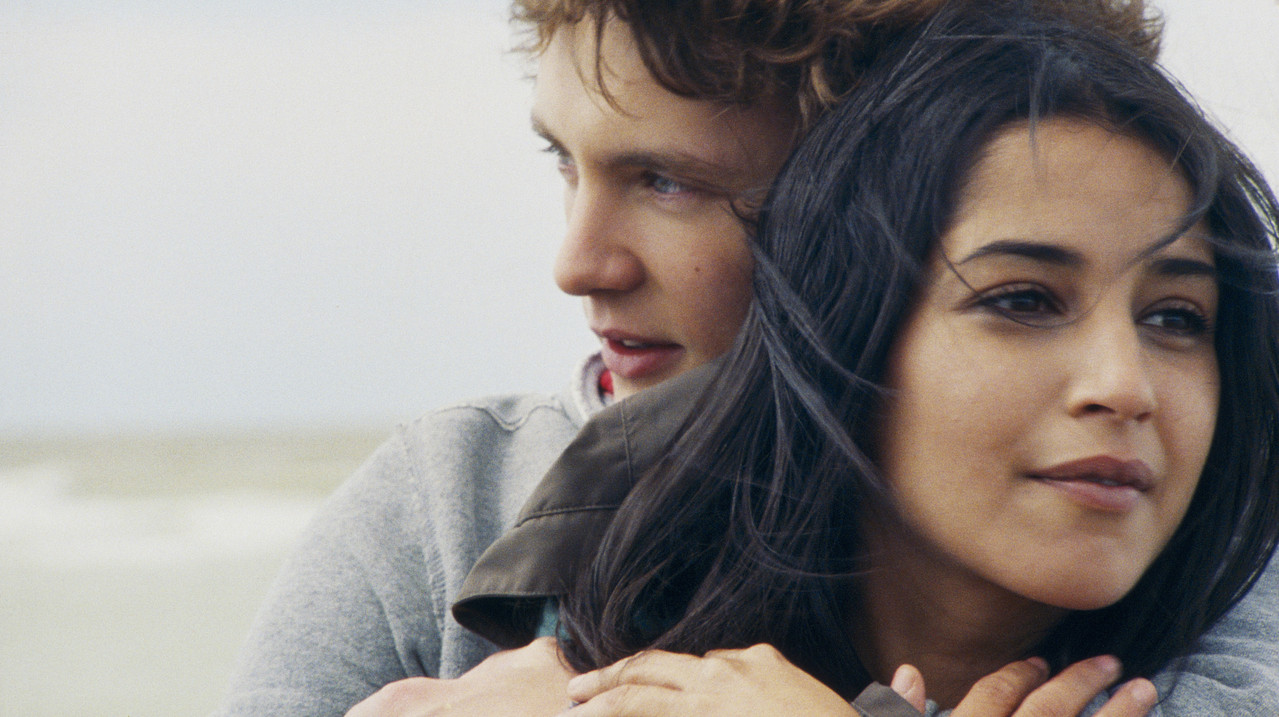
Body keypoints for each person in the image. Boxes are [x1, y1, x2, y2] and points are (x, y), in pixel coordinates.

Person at [213, 1, 1279, 715]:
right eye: (564, 163)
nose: (576, 263)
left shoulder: (1203, 572)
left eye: (669, 182)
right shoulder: (455, 505)